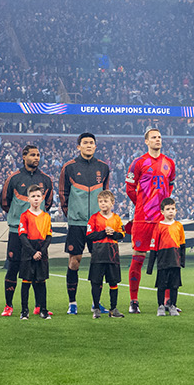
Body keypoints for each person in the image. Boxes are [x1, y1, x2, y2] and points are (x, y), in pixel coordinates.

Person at [58, 132, 111, 316]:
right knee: (75, 261)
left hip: (97, 224)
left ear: (95, 146)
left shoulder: (103, 168)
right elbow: (63, 194)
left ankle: (96, 304)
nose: (89, 145)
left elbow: (106, 195)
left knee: (99, 263)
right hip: (77, 223)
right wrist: (72, 215)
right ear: (78, 147)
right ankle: (72, 303)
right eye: (85, 143)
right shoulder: (69, 167)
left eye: (91, 143)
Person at [123, 128, 177, 314]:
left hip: (162, 221)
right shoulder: (138, 163)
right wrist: (142, 205)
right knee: (138, 258)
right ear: (146, 141)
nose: (158, 140)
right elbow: (130, 188)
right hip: (142, 219)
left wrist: (162, 209)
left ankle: (168, 301)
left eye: (160, 137)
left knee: (167, 260)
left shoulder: (169, 163)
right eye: (154, 137)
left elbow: (170, 187)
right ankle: (133, 300)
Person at [0, 143, 54, 317]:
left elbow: (49, 202)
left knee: (38, 268)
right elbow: (5, 202)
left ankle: (39, 306)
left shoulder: (45, 179)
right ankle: (9, 305)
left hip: (38, 232)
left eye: (38, 155)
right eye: (32, 155)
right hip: (17, 231)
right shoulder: (14, 178)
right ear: (24, 157)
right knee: (13, 267)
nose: (36, 158)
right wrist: (17, 218)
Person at [13, 185, 53, 320]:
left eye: (38, 196)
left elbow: (48, 236)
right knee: (26, 282)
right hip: (28, 252)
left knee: (41, 282)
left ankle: (44, 309)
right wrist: (32, 252)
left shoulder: (46, 216)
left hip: (42, 252)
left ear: (42, 199)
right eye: (33, 196)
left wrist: (41, 251)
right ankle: (24, 311)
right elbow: (22, 236)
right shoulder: (24, 216)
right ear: (28, 199)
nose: (36, 199)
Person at [86, 191, 128, 318]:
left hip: (112, 254)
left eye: (105, 201)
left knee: (113, 282)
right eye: (100, 201)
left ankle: (113, 309)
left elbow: (122, 234)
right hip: (98, 255)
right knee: (96, 282)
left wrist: (113, 233)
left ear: (112, 203)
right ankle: (97, 308)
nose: (103, 204)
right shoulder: (94, 218)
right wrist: (104, 232)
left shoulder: (116, 218)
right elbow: (89, 235)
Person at [151, 197, 185, 316]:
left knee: (174, 286)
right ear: (162, 212)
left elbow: (182, 244)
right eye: (168, 209)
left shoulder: (179, 226)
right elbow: (154, 247)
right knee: (161, 285)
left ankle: (173, 306)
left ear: (176, 211)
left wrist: (182, 262)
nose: (170, 211)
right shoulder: (158, 226)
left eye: (172, 209)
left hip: (175, 261)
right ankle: (160, 306)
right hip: (163, 261)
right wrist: (150, 266)